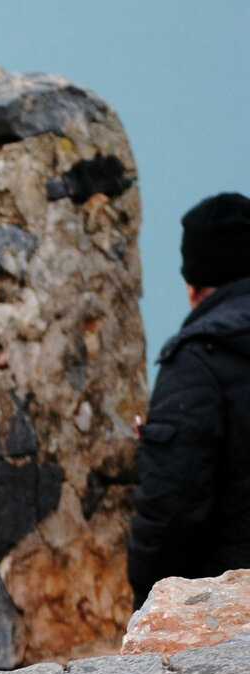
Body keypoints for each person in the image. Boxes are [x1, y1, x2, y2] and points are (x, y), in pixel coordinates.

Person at [128, 192, 250, 609]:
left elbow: (171, 510)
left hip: (227, 615)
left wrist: (148, 601)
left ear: (193, 287)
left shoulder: (197, 363)